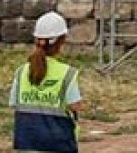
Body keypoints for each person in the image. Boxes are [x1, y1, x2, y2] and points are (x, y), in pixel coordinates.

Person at [10, 11, 83, 153]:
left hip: (26, 143)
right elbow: (75, 105)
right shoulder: (67, 73)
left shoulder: (21, 72)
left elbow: (14, 103)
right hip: (59, 144)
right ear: (61, 41)